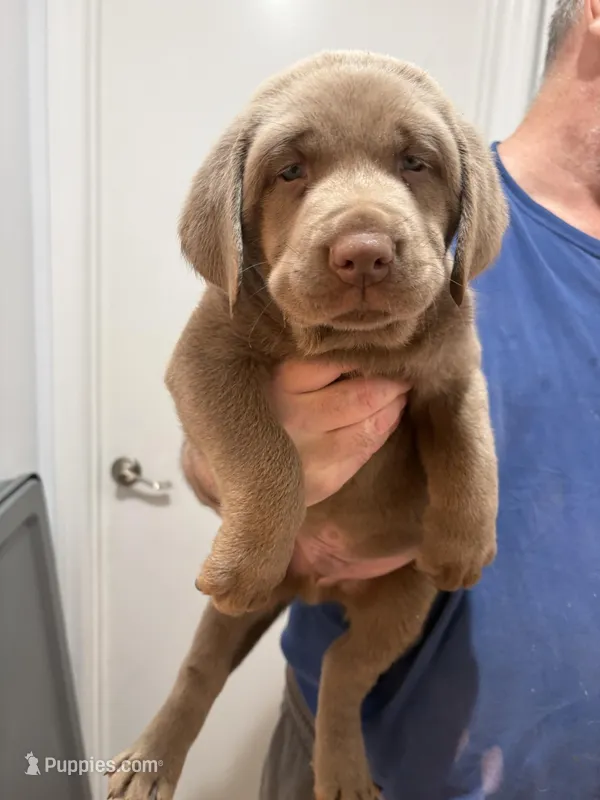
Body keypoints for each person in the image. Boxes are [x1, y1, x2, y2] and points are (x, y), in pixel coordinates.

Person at [191, 1, 600, 796]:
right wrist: (243, 478)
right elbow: (216, 398)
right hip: (376, 757)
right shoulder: (439, 211)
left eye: (411, 164)